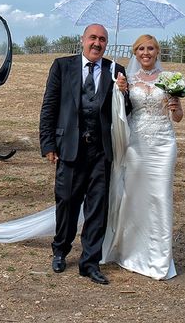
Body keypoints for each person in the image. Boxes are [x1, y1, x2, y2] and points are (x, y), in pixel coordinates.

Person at [39, 23, 128, 285]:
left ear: (106, 44)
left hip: (101, 151)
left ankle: (89, 263)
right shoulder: (62, 66)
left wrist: (124, 93)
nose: (97, 43)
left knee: (97, 209)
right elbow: (50, 106)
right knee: (66, 202)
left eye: (102, 39)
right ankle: (60, 250)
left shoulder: (116, 70)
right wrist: (48, 144)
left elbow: (126, 112)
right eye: (93, 38)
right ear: (82, 40)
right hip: (69, 148)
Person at [102, 34, 183, 280]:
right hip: (136, 144)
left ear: (157, 51)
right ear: (135, 52)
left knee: (160, 196)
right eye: (141, 49)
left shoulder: (169, 80)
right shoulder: (127, 79)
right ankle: (130, 250)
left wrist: (176, 105)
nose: (145, 53)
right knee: (133, 195)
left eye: (150, 48)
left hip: (163, 144)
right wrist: (121, 93)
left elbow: (177, 117)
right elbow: (122, 111)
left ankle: (158, 259)